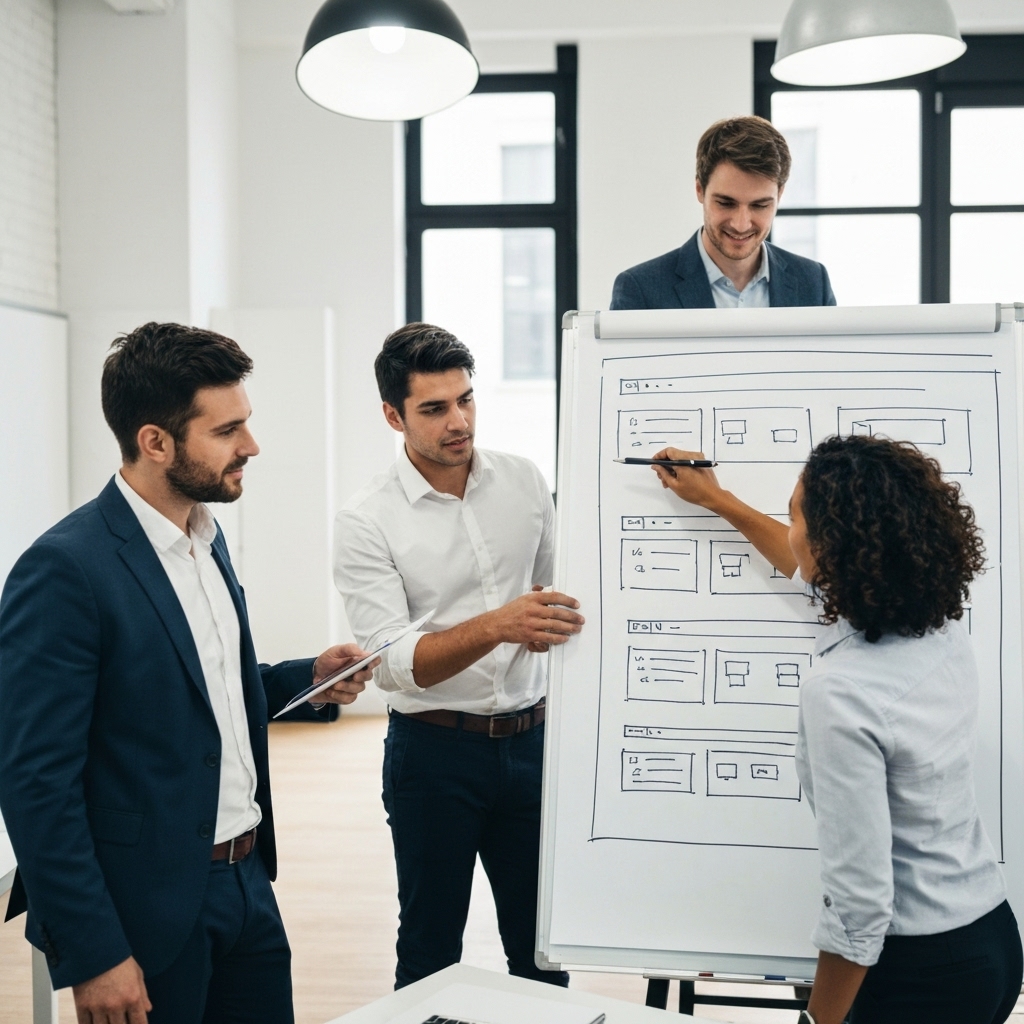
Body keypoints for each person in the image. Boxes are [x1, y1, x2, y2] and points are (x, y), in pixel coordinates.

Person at [0, 322, 378, 1024]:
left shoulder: (206, 534)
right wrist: (95, 953)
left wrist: (306, 680)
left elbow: (200, 693)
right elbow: (33, 782)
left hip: (248, 885)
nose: (251, 446)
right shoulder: (65, 570)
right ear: (155, 442)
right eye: (228, 430)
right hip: (144, 910)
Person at [645, 435, 1022, 1024]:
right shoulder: (937, 623)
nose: (788, 525)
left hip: (914, 973)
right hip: (991, 939)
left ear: (834, 544)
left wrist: (819, 1022)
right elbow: (805, 567)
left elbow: (861, 903)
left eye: (794, 512)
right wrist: (720, 501)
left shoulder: (842, 691)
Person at [333, 322, 585, 989]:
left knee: (540, 954)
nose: (458, 421)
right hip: (433, 754)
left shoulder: (526, 482)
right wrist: (500, 623)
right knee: (429, 950)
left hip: (534, 745)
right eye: (434, 408)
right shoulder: (366, 520)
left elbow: (560, 594)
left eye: (466, 399)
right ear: (393, 415)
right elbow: (395, 664)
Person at [610, 115, 835, 310]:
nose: (741, 224)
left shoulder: (814, 283)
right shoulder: (640, 290)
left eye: (759, 205)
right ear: (700, 189)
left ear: (780, 195)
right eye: (726, 203)